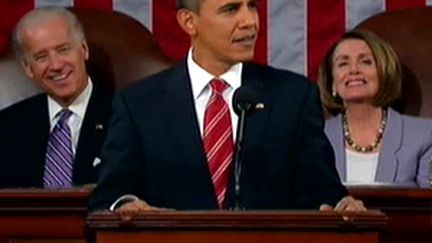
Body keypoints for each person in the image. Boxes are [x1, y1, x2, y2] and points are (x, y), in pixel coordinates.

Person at [89, 0, 365, 212]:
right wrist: (125, 206)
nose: (250, 22)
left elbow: (321, 191)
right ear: (189, 21)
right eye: (231, 9)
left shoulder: (293, 96)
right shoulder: (139, 104)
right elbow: (109, 196)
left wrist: (340, 205)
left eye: (252, 6)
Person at [0, 7, 112, 188]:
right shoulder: (6, 128)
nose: (56, 65)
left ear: (84, 50)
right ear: (28, 68)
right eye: (41, 57)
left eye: (63, 50)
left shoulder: (126, 118)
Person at [318, 30, 432, 188]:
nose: (354, 70)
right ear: (333, 83)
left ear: (384, 72)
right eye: (343, 63)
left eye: (365, 61)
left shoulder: (425, 136)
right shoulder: (316, 137)